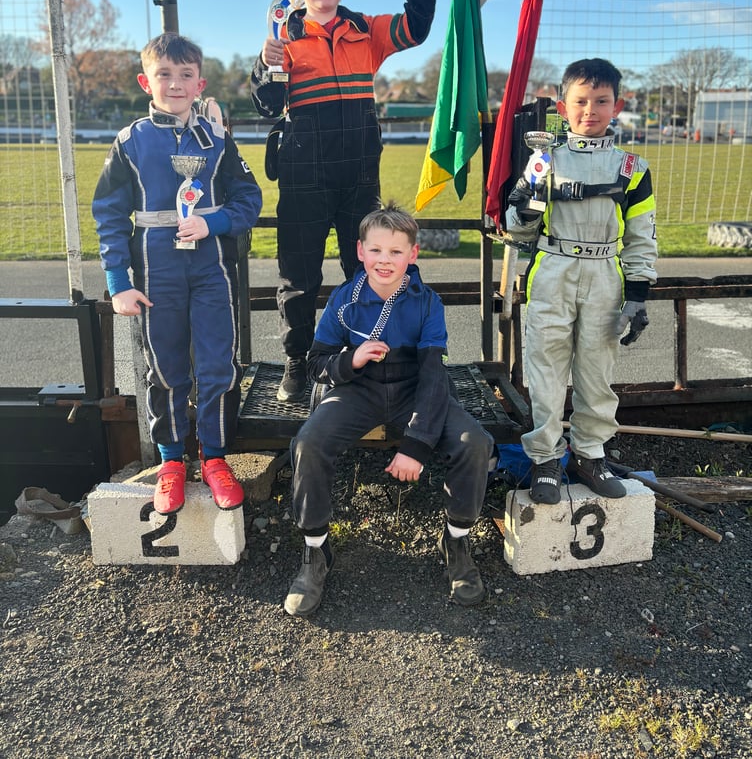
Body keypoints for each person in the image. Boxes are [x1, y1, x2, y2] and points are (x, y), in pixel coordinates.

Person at [249, 0, 435, 403]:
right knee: (299, 279)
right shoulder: (280, 38)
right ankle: (298, 361)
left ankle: (370, 359)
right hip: (303, 178)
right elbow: (266, 105)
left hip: (358, 178)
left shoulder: (366, 31)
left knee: (368, 273)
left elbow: (418, 24)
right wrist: (266, 64)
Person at [283, 203, 494, 618]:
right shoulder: (344, 300)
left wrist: (416, 444)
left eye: (396, 252)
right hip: (358, 389)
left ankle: (456, 540)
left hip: (417, 388)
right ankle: (315, 551)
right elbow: (316, 364)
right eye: (376, 250)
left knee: (475, 443)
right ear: (360, 251)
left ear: (412, 255)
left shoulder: (426, 302)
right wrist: (352, 360)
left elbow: (434, 375)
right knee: (308, 442)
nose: (385, 260)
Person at [92, 33, 263, 516]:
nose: (175, 83)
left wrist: (213, 222)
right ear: (147, 82)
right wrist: (118, 282)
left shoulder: (218, 140)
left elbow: (250, 200)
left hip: (211, 270)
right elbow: (108, 211)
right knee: (165, 369)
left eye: (186, 75)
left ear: (200, 82)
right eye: (164, 74)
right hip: (154, 270)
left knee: (217, 367)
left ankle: (214, 457)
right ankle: (170, 461)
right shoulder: (130, 141)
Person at [505, 58, 658, 505]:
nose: (590, 110)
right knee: (545, 368)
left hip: (604, 274)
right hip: (551, 267)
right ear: (561, 105)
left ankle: (589, 455)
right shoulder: (543, 160)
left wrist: (638, 293)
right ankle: (546, 460)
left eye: (601, 101)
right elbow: (516, 227)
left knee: (597, 371)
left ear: (618, 105)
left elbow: (641, 236)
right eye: (580, 101)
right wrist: (529, 205)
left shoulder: (632, 167)